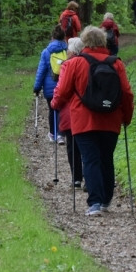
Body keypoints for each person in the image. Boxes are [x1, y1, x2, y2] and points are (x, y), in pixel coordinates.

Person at [51, 26, 134, 217]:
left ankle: (95, 202)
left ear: (84, 42)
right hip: (110, 120)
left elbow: (62, 91)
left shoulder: (75, 63)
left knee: (90, 159)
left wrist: (55, 104)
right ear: (103, 42)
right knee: (106, 158)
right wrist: (126, 117)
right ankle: (106, 200)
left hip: (83, 120)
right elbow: (127, 94)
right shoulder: (116, 64)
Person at [33, 25, 69, 144]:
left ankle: (53, 134)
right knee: (62, 110)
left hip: (49, 88)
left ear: (52, 37)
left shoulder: (46, 52)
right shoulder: (68, 51)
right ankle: (61, 134)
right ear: (64, 37)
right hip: (63, 86)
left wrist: (37, 87)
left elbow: (41, 70)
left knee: (52, 109)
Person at [57, 36, 85, 188]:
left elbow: (62, 90)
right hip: (86, 112)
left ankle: (76, 177)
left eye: (68, 49)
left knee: (72, 146)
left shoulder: (68, 65)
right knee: (86, 145)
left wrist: (55, 103)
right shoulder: (88, 64)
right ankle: (87, 175)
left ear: (73, 51)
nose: (67, 51)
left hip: (70, 111)